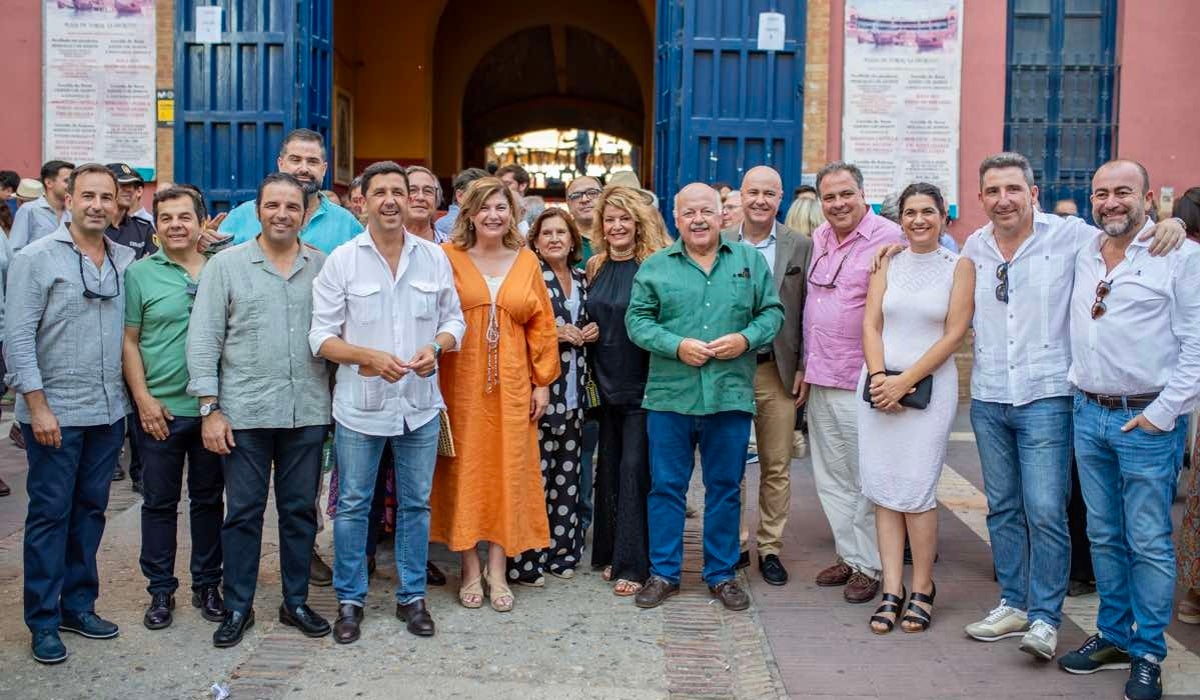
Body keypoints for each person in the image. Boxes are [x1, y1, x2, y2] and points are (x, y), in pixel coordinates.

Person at [958, 152, 1184, 660]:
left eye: (1013, 188)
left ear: (1033, 193)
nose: (1003, 199)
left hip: (1048, 397)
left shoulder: (1071, 236)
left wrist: (1174, 222)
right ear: (980, 198)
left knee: (1046, 510)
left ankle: (1044, 616)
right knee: (1003, 508)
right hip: (990, 395)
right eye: (992, 191)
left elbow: (1129, 227)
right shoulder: (974, 245)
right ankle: (1013, 602)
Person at [1055, 160, 1200, 700]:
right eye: (1101, 193)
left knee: (1148, 541)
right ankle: (1113, 636)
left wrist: (1163, 414)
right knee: (1103, 535)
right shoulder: (1082, 250)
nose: (1111, 202)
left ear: (1147, 198)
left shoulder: (1181, 257)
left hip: (1146, 418)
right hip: (1087, 414)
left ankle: (1148, 653)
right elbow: (1018, 220)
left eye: (1123, 192)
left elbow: (1196, 345)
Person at [309, 161, 465, 643]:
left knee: (416, 505)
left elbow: (454, 321)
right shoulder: (342, 260)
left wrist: (435, 347)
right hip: (361, 406)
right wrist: (365, 357)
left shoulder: (433, 257)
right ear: (363, 201)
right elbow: (320, 337)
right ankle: (350, 601)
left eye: (400, 191)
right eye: (382, 193)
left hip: (418, 404)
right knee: (354, 506)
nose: (393, 200)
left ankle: (411, 597)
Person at [188, 172, 333, 648]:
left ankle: (294, 602)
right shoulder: (226, 266)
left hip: (306, 411)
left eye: (292, 206)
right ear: (258, 209)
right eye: (273, 205)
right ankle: (237, 605)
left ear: (305, 213)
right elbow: (204, 338)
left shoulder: (322, 266)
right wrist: (209, 408)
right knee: (243, 513)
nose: (282, 214)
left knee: (298, 513)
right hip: (243, 413)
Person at [629, 182, 783, 611]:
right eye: (689, 213)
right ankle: (664, 572)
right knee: (666, 488)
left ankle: (720, 574)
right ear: (675, 219)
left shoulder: (749, 262)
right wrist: (675, 345)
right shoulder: (656, 267)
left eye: (706, 211)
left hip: (729, 395)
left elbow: (773, 312)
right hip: (669, 397)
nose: (698, 220)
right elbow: (636, 321)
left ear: (721, 216)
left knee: (725, 488)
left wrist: (746, 338)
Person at [5, 163, 134, 664]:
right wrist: (36, 406)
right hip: (54, 412)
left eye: (107, 197)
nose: (98, 205)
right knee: (49, 517)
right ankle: (41, 620)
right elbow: (17, 337)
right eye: (88, 196)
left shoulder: (126, 260)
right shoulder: (34, 258)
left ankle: (77, 606)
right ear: (68, 200)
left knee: (90, 512)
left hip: (107, 413)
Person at [429, 177, 559, 612]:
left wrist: (543, 381)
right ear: (468, 213)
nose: (492, 215)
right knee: (463, 470)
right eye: (484, 208)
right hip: (457, 383)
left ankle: (498, 568)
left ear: (514, 213)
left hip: (514, 386)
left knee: (509, 470)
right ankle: (468, 566)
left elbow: (542, 327)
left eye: (501, 207)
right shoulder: (445, 257)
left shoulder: (526, 261)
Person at [858, 183, 974, 634]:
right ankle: (892, 588)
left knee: (917, 490)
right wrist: (880, 377)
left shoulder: (960, 266)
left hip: (929, 389)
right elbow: (870, 323)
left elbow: (954, 334)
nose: (919, 220)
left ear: (944, 217)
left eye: (928, 211)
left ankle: (922, 587)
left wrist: (905, 380)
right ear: (899, 218)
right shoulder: (887, 261)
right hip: (878, 384)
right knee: (884, 490)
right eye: (910, 212)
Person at [122, 186, 224, 630]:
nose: (176, 225)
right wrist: (143, 400)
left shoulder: (223, 268)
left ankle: (208, 584)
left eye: (186, 217)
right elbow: (129, 342)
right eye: (167, 219)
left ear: (202, 223)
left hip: (210, 413)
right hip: (160, 412)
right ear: (156, 226)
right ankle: (160, 590)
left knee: (208, 500)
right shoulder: (139, 274)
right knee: (159, 504)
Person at [804, 161, 903, 604]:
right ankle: (850, 553)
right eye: (830, 197)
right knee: (830, 475)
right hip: (820, 373)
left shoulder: (890, 239)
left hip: (861, 376)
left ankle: (873, 565)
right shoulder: (819, 238)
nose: (839, 204)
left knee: (867, 475)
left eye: (847, 194)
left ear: (864, 194)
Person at [721, 166, 812, 586]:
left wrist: (805, 365)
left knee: (776, 465)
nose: (760, 200)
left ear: (781, 199)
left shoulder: (801, 246)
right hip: (729, 370)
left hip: (777, 371)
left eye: (769, 193)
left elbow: (811, 311)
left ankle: (770, 547)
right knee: (730, 462)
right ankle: (735, 544)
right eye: (753, 192)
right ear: (740, 196)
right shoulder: (720, 243)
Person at [507, 208, 596, 586]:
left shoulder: (582, 278)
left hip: (577, 393)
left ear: (574, 240)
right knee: (534, 478)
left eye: (562, 232)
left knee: (569, 475)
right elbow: (519, 328)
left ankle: (562, 553)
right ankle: (527, 559)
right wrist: (555, 334)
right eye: (547, 233)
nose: (555, 239)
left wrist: (590, 329)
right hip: (540, 391)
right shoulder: (530, 277)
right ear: (536, 241)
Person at [585, 186, 667, 596]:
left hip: (644, 383)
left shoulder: (654, 265)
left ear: (639, 223)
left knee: (636, 470)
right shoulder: (596, 265)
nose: (616, 226)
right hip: (604, 382)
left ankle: (635, 564)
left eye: (624, 219)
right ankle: (614, 553)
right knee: (611, 468)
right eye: (609, 219)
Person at [218, 128, 362, 255]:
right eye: (295, 160)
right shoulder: (241, 217)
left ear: (323, 169)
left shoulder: (347, 224)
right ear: (280, 164)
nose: (304, 168)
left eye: (312, 161)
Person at [106, 163, 157, 487]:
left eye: (133, 185)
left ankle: (142, 471)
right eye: (122, 184)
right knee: (110, 400)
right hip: (104, 326)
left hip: (135, 325)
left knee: (140, 402)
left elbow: (150, 270)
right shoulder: (96, 228)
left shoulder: (140, 228)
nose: (129, 190)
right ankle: (110, 461)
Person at [10, 160, 74, 252]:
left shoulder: (73, 212)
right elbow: (15, 249)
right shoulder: (29, 210)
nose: (72, 186)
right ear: (48, 183)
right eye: (67, 181)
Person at [433, 167, 489, 240]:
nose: (482, 198)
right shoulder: (448, 225)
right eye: (475, 194)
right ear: (459, 196)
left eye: (486, 194)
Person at [404, 165, 448, 243]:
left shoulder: (451, 247)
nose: (421, 197)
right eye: (412, 190)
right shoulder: (382, 245)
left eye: (428, 191)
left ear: (436, 199)